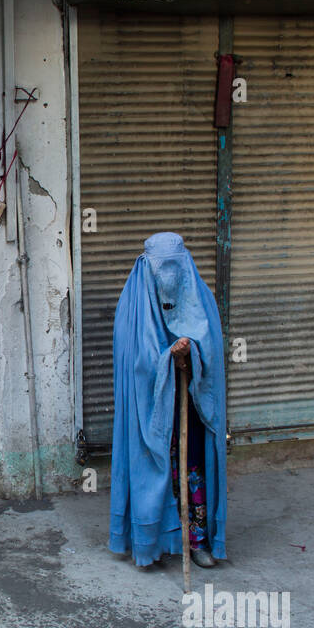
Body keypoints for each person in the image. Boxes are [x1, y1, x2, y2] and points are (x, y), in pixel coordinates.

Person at [109, 232, 228, 570]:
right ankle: (151, 540)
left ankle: (197, 541)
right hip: (150, 413)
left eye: (175, 268)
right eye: (162, 269)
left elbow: (213, 351)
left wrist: (193, 354)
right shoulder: (132, 307)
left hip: (190, 405)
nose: (168, 278)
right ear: (147, 267)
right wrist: (165, 359)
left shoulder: (201, 300)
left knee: (193, 470)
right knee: (155, 469)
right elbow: (133, 360)